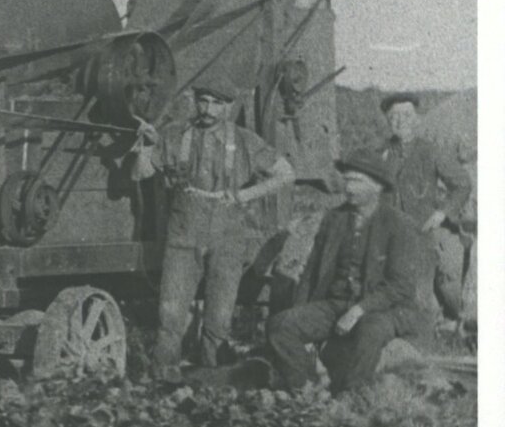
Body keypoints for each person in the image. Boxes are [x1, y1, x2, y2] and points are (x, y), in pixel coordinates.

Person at [131, 74, 295, 376]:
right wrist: (144, 145)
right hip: (183, 236)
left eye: (216, 104)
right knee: (170, 315)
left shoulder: (245, 141)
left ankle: (211, 383)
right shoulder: (175, 135)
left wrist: (243, 195)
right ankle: (161, 382)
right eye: (202, 101)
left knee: (219, 318)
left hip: (228, 238)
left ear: (229, 107)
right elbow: (141, 173)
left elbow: (286, 174)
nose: (207, 109)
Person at [266, 149, 432, 393]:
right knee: (281, 325)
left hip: (382, 308)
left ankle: (352, 397)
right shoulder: (335, 218)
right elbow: (312, 273)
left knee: (370, 331)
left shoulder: (399, 225)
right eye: (347, 180)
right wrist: (300, 312)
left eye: (357, 181)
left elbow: (400, 286)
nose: (349, 187)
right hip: (335, 302)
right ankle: (305, 390)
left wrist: (358, 310)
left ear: (376, 186)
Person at [379, 91, 472, 321]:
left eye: (407, 115)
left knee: (420, 299)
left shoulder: (430, 151)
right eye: (394, 116)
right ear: (387, 120)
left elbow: (462, 183)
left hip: (420, 234)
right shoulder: (379, 152)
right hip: (384, 235)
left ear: (417, 119)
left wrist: (442, 213)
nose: (400, 121)